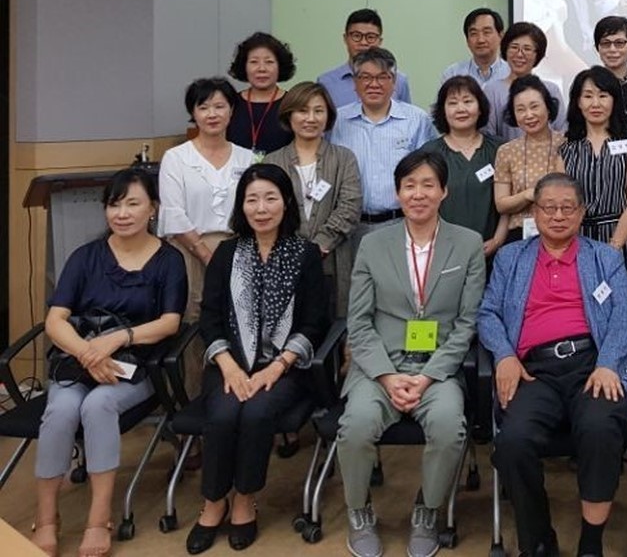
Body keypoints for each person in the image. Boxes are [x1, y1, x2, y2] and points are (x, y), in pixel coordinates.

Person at [479, 173, 627, 557]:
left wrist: (608, 363)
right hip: (532, 371)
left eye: (567, 208)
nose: (557, 216)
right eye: (548, 208)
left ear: (582, 213)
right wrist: (504, 355)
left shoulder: (604, 257)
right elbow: (487, 313)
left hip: (592, 365)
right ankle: (538, 540)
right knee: (513, 441)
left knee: (601, 426)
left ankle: (591, 543)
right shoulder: (511, 257)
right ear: (534, 212)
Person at [336, 151, 487, 557]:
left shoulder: (468, 244)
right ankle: (358, 510)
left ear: (444, 191)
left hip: (437, 369)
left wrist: (427, 377)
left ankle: (428, 509)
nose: (418, 194)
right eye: (409, 186)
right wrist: (387, 376)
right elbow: (358, 321)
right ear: (397, 192)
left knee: (449, 426)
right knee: (355, 426)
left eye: (427, 185)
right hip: (379, 367)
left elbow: (467, 322)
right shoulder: (372, 244)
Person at [31, 169, 187, 557]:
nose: (122, 213)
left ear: (153, 208)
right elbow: (55, 320)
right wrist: (89, 353)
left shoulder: (169, 260)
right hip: (79, 360)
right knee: (61, 410)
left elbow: (170, 322)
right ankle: (46, 518)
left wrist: (118, 338)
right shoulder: (85, 256)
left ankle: (98, 518)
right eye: (114, 205)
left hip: (138, 364)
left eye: (133, 204)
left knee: (98, 405)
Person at [188, 164, 330, 553]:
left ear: (286, 203)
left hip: (285, 368)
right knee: (222, 414)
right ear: (241, 206)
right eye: (252, 200)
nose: (261, 208)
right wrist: (229, 366)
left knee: (255, 412)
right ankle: (213, 501)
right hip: (229, 363)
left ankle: (244, 499)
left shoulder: (305, 254)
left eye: (270, 198)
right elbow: (210, 317)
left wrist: (279, 365)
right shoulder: (226, 254)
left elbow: (315, 322)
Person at [158, 78, 253, 332]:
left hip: (238, 251)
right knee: (192, 321)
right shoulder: (176, 158)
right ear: (193, 113)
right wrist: (207, 256)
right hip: (188, 251)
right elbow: (173, 214)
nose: (212, 114)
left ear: (231, 110)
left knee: (239, 321)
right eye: (203, 107)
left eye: (219, 106)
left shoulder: (248, 158)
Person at [264, 81, 363, 317]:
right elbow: (267, 210)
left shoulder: (343, 158)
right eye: (302, 111)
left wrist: (317, 247)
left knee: (333, 325)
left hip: (332, 260)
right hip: (283, 262)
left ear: (328, 116)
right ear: (289, 115)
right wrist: (296, 251)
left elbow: (350, 206)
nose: (310, 118)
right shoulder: (272, 162)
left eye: (318, 111)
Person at [328, 47, 436, 246]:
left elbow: (430, 173)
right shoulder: (336, 121)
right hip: (349, 227)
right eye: (366, 77)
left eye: (382, 77)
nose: (374, 84)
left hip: (401, 223)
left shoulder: (417, 120)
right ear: (355, 82)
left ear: (394, 82)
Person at [559, 67, 627, 292]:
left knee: (624, 304)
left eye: (603, 95)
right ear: (578, 102)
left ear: (614, 100)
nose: (595, 103)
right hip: (578, 241)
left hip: (622, 239)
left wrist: (613, 247)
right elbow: (563, 202)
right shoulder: (565, 150)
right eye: (588, 96)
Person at [416, 76, 509, 258]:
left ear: (480, 107)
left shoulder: (500, 149)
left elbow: (509, 202)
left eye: (468, 101)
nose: (461, 109)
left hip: (493, 251)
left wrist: (498, 240)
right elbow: (422, 204)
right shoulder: (429, 153)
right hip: (443, 252)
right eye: (452, 103)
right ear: (443, 110)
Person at [493, 76, 567, 243]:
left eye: (534, 106)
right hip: (519, 235)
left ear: (548, 107)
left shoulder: (567, 145)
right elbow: (501, 204)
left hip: (561, 230)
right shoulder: (506, 151)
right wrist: (528, 195)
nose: (529, 115)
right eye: (520, 109)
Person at [482, 22, 569, 142]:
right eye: (514, 47)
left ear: (538, 54)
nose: (519, 54)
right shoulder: (492, 90)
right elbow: (488, 135)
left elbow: (562, 131)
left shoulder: (551, 89)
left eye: (527, 49)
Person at [317, 8, 412, 108]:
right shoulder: (326, 82)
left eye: (370, 37)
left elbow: (406, 115)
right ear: (345, 39)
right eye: (356, 36)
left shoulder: (399, 81)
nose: (363, 42)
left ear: (380, 41)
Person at [224, 32, 298, 158]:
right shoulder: (230, 103)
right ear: (244, 66)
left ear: (280, 66)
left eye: (269, 62)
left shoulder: (293, 104)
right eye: (254, 62)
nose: (262, 69)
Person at [440, 7, 511, 86]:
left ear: (501, 36)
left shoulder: (512, 73)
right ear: (467, 41)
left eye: (486, 32)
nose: (480, 40)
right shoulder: (453, 74)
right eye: (474, 34)